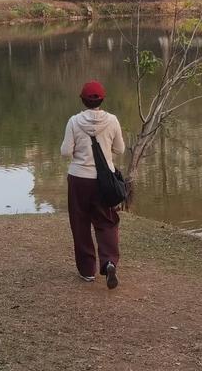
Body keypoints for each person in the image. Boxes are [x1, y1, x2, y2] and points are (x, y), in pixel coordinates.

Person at [60, 80, 125, 288]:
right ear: (103, 99)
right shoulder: (113, 120)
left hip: (79, 179)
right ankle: (108, 263)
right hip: (104, 180)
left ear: (82, 100)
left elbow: (65, 152)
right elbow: (120, 149)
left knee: (80, 222)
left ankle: (87, 271)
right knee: (107, 221)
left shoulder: (73, 121)